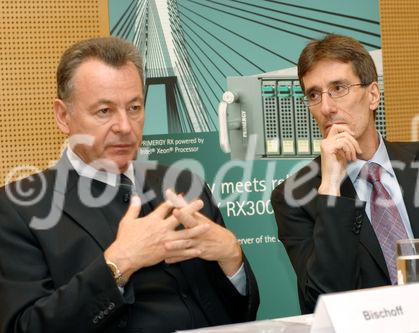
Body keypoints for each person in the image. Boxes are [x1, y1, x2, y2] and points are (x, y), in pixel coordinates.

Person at [0, 37, 259, 332]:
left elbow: (241, 316)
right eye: (104, 111)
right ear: (63, 116)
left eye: (134, 107)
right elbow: (25, 327)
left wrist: (232, 258)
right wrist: (118, 264)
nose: (125, 127)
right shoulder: (18, 208)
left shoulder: (185, 183)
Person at [271, 33, 419, 314]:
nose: (326, 107)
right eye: (314, 95)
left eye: (338, 88)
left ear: (373, 95)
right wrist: (331, 188)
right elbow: (324, 297)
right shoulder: (294, 196)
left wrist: (392, 294)